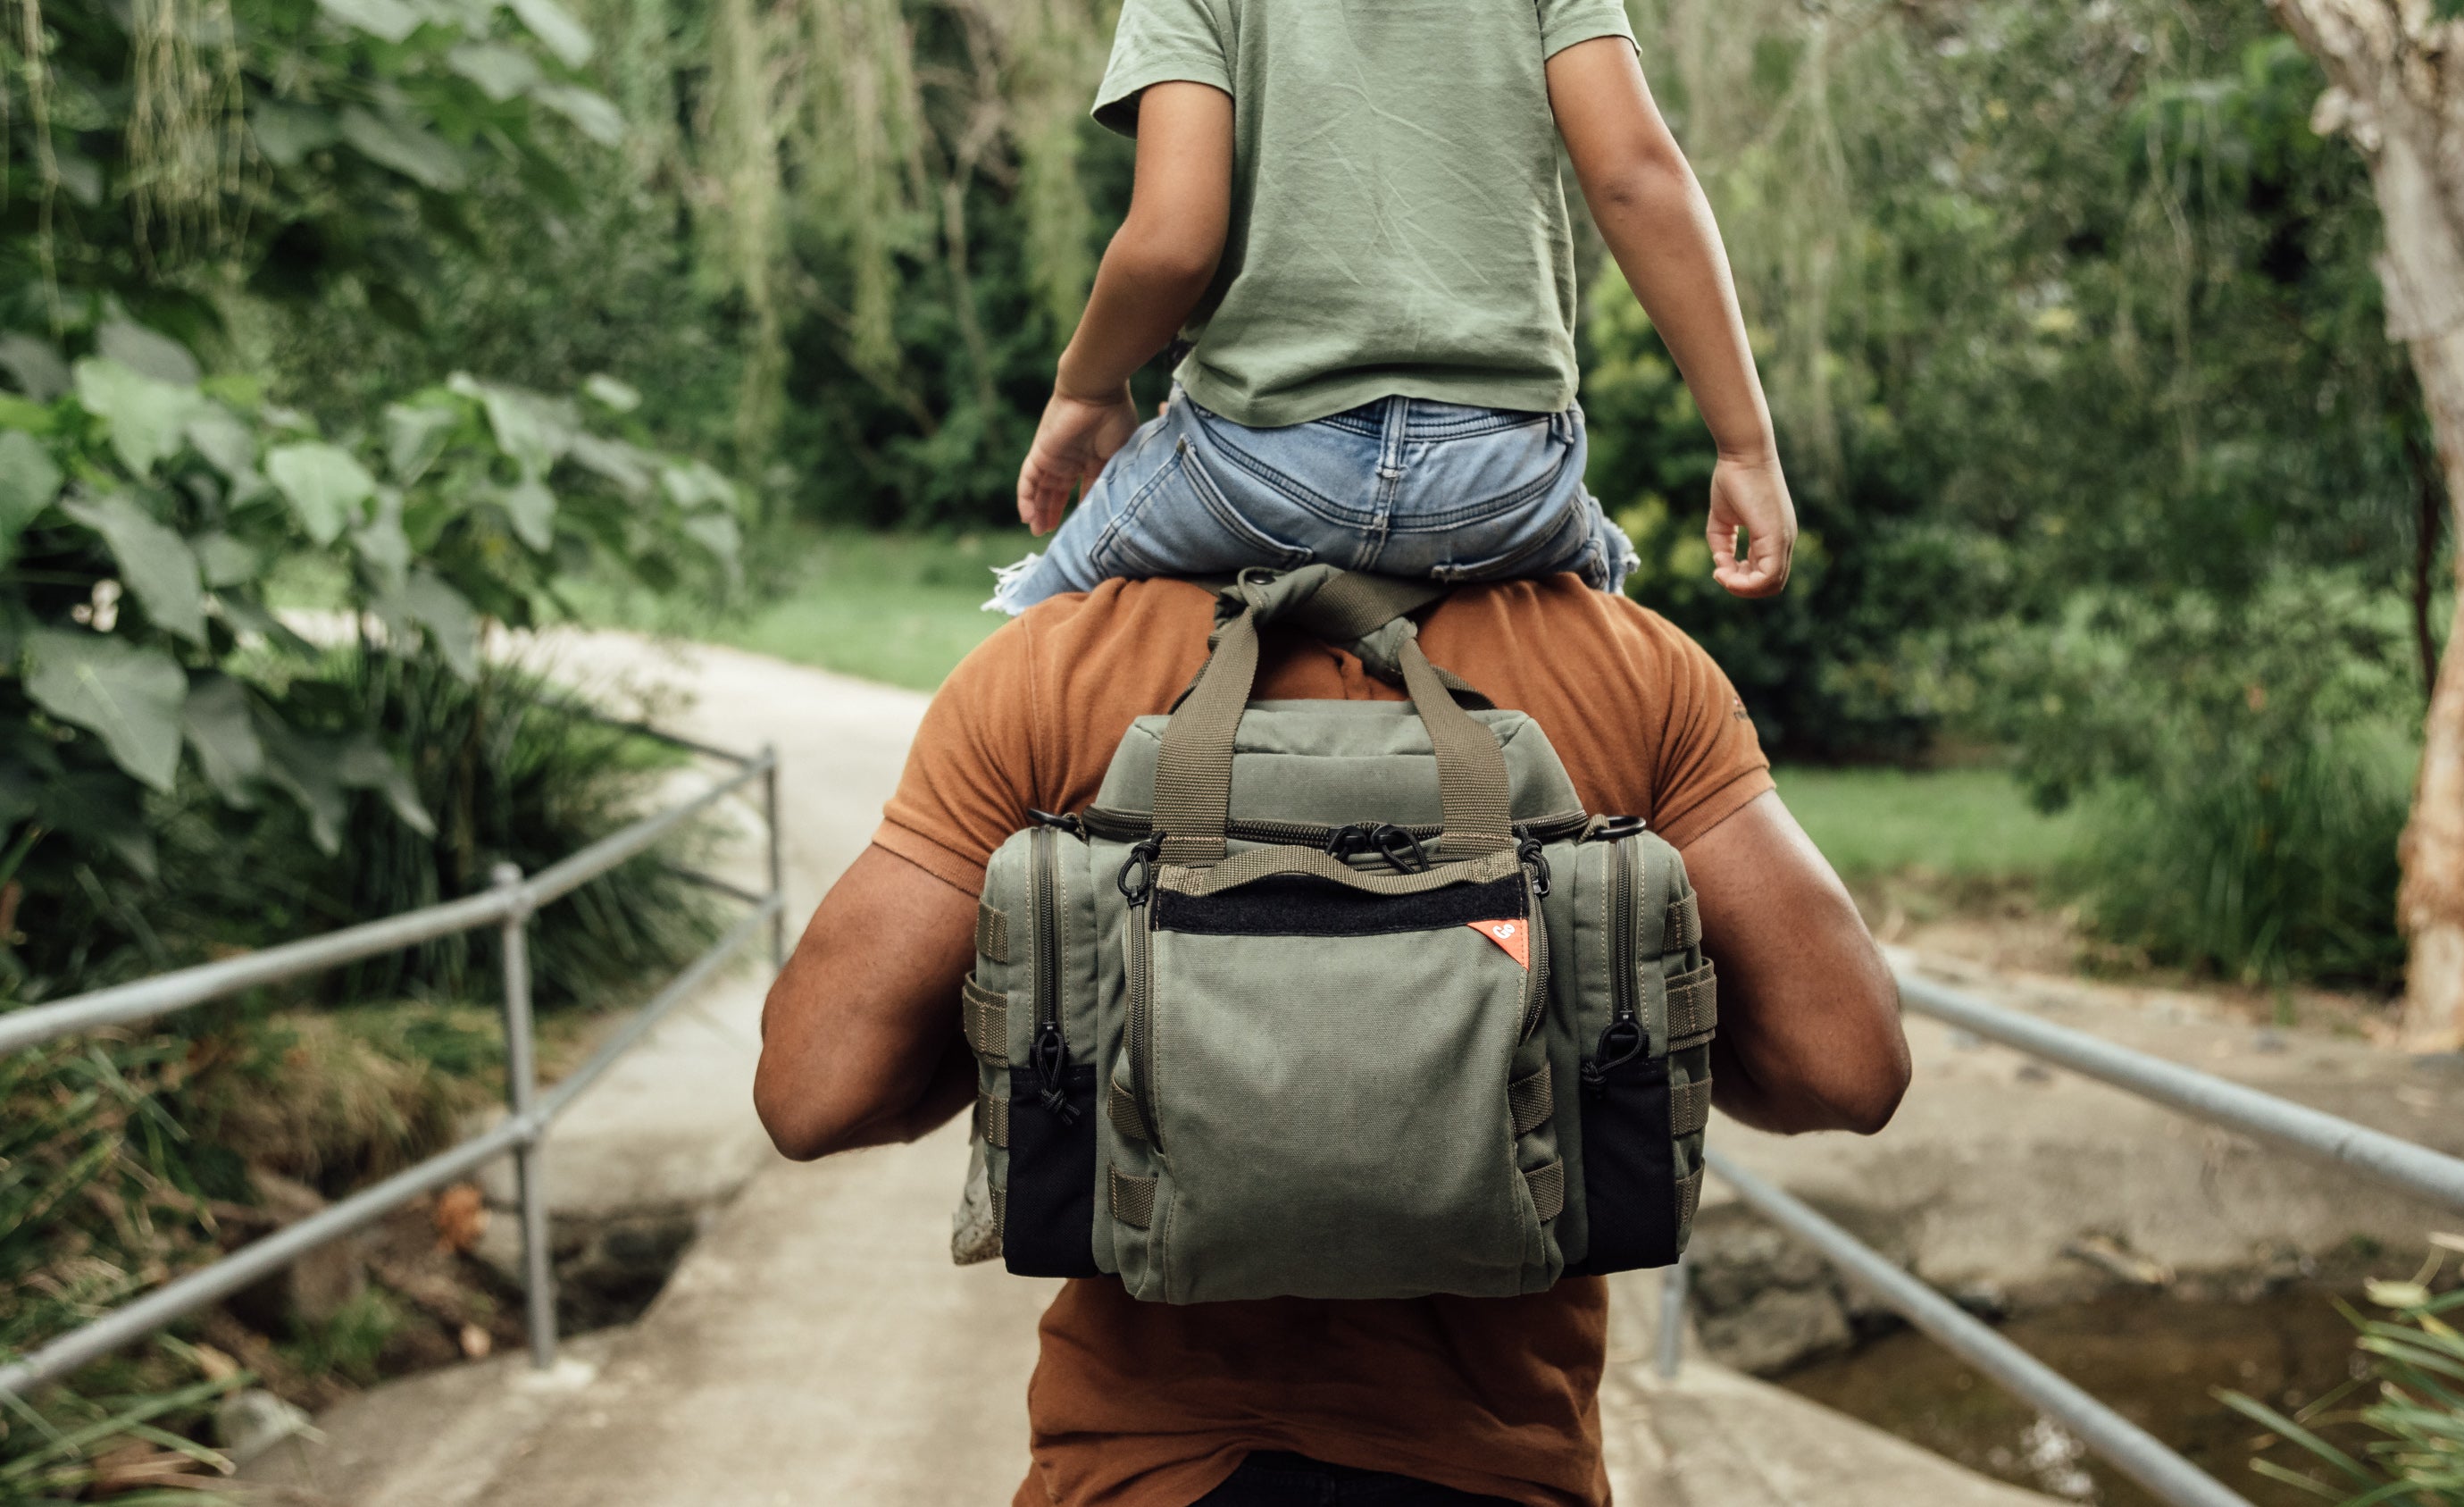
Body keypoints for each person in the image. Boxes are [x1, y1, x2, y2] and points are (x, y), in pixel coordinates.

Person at [756, 574, 1911, 1504]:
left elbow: (816, 1091)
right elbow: (1846, 1067)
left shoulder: (1058, 662)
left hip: (1142, 1465)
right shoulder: (1625, 661)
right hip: (1502, 1461)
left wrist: (1055, 1013)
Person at [987, 0, 1797, 615]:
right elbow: (1636, 180)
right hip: (1501, 481)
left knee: (1033, 645)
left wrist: (1085, 388)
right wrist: (1746, 449)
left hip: (1254, 469)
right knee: (1626, 649)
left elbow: (1172, 243)